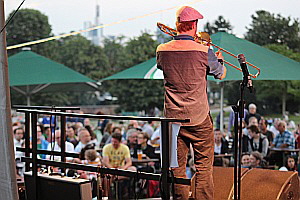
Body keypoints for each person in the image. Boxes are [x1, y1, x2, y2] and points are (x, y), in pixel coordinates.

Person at [156, 5, 226, 199]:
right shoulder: (205, 50)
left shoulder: (162, 50)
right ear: (194, 25)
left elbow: (163, 66)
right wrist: (217, 60)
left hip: (173, 119)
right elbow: (220, 75)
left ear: (177, 25)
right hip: (199, 117)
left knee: (177, 168)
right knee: (204, 168)